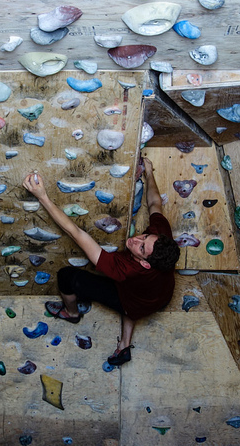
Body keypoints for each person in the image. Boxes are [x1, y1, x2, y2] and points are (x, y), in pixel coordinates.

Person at [21, 157, 179, 366]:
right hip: (160, 296)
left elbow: (76, 232)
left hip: (135, 300)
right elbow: (154, 203)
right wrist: (149, 172)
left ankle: (71, 313)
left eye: (141, 247)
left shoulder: (124, 270)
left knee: (66, 276)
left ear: (145, 263)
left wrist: (42, 197)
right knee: (134, 299)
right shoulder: (161, 239)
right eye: (144, 236)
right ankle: (124, 345)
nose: (136, 239)